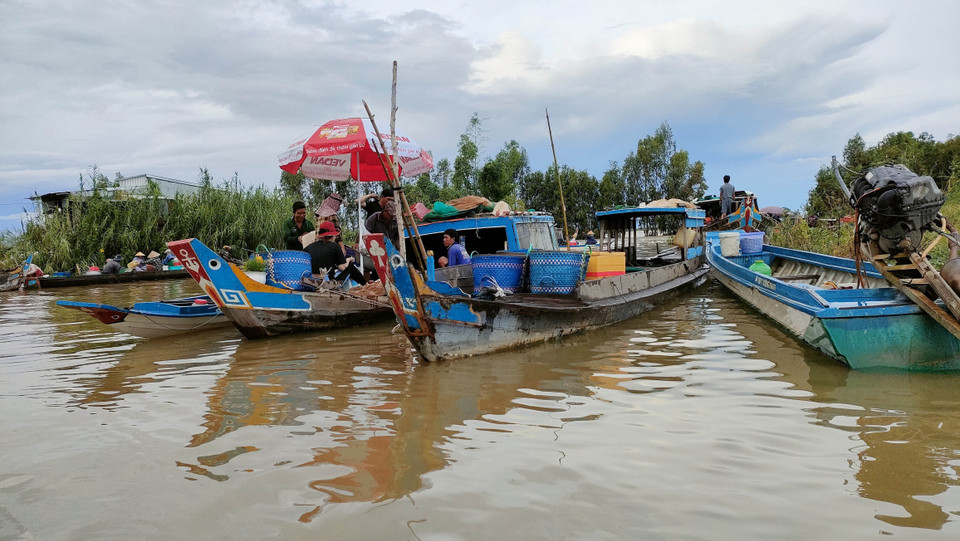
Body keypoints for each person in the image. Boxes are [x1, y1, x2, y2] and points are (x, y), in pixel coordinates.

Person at [305, 221, 367, 286]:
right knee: (350, 266)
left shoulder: (310, 247)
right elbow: (342, 267)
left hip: (311, 280)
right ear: (333, 235)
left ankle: (365, 284)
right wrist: (349, 260)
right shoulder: (334, 246)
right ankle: (365, 284)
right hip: (327, 282)